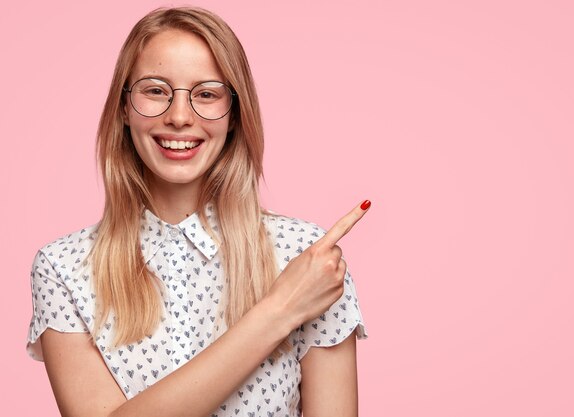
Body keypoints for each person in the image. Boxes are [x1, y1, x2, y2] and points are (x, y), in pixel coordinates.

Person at [25, 6, 369, 417]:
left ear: (235, 114)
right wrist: (280, 311)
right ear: (123, 107)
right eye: (155, 90)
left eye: (207, 94)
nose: (180, 117)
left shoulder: (307, 258)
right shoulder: (64, 268)